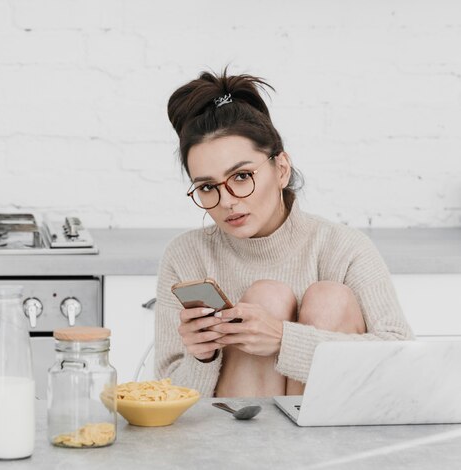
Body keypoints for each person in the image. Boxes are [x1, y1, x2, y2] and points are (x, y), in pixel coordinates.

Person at [155, 70, 414, 397]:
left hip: (332, 440)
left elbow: (402, 363)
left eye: (241, 176)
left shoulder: (343, 248)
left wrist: (282, 340)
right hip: (231, 440)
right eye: (207, 187)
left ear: (281, 169)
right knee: (268, 297)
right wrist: (201, 358)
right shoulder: (186, 256)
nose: (227, 201)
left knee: (329, 299)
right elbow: (163, 397)